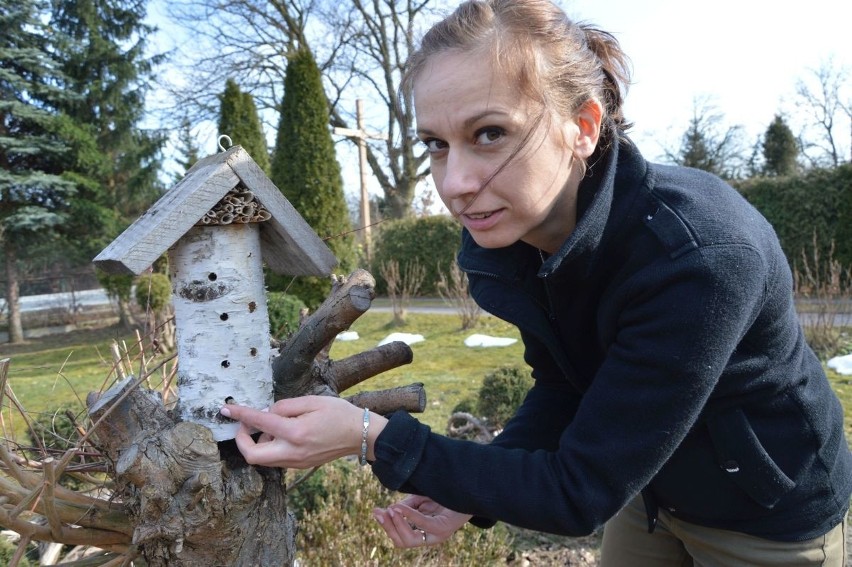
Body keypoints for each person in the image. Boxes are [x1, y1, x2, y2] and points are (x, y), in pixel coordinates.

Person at [219, 0, 852, 563]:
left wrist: (372, 437)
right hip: (650, 490)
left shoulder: (697, 257)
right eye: (436, 144)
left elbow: (578, 493)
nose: (456, 184)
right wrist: (471, 488)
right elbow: (564, 386)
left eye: (489, 134)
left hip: (766, 514)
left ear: (582, 127)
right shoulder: (512, 235)